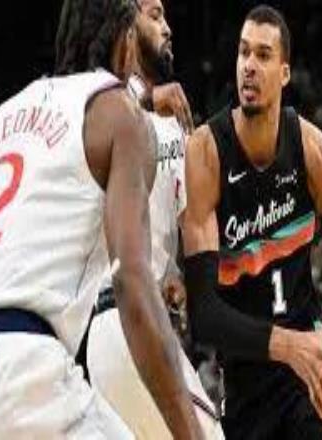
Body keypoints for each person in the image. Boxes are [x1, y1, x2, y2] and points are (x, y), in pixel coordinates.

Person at [0, 0, 202, 438]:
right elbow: (131, 281)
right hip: (27, 372)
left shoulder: (4, 115)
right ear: (126, 42)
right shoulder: (119, 114)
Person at [182, 5, 322, 439]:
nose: (249, 66)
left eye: (263, 55)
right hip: (245, 381)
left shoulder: (315, 153)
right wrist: (290, 346)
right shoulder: (206, 154)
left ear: (285, 73)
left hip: (311, 384)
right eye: (243, 53)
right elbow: (203, 314)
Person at [86, 0, 224, 438]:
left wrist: (177, 278)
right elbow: (89, 104)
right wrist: (143, 98)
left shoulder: (177, 124)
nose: (167, 28)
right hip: (116, 314)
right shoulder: (103, 102)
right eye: (154, 14)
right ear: (127, 28)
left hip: (142, 324)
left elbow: (182, 230)